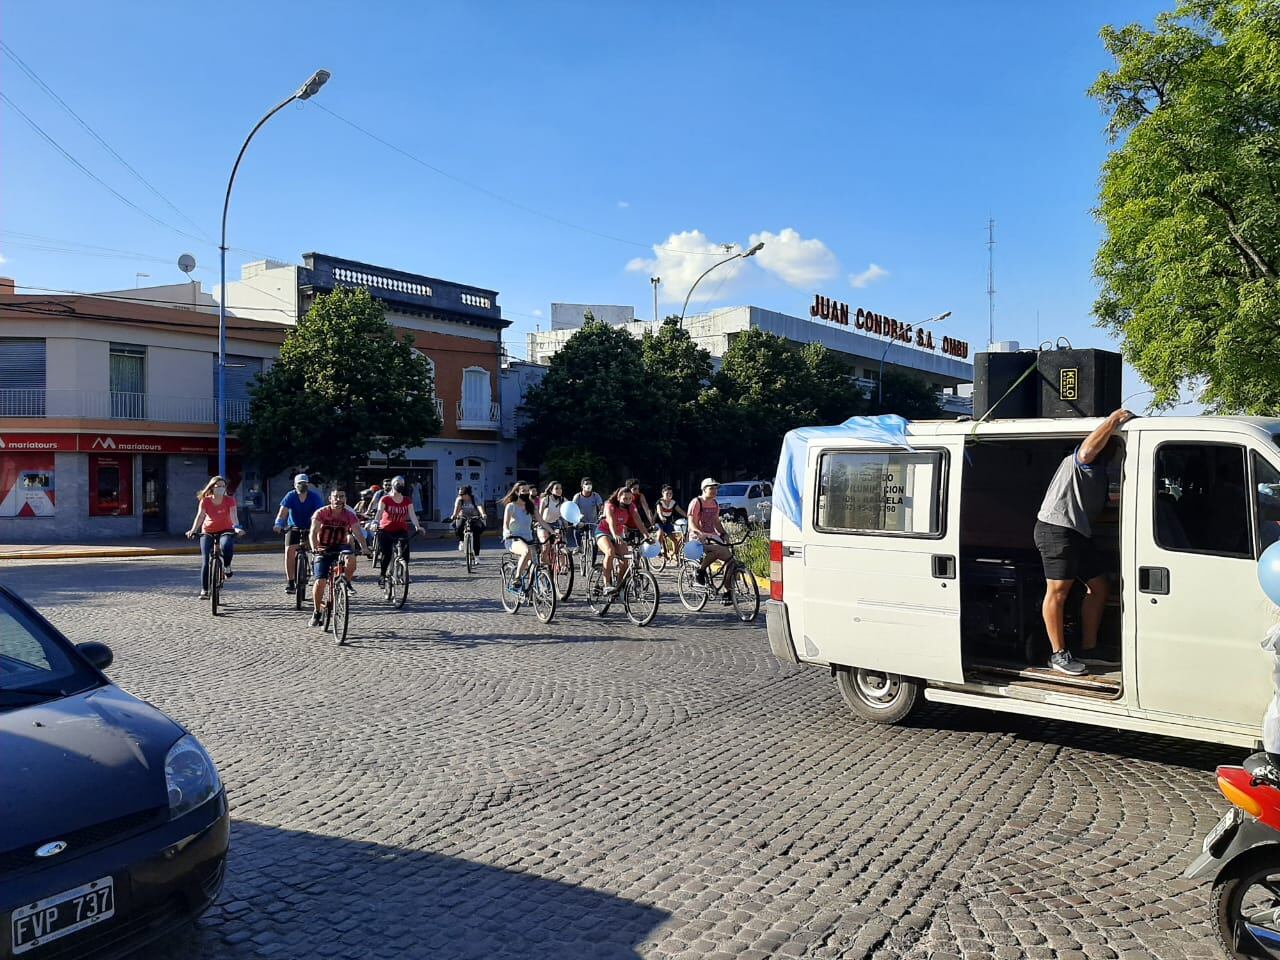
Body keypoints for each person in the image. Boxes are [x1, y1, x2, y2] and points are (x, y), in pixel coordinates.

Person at [1033, 408, 1135, 676]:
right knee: (1058, 592)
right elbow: (1089, 449)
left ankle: (1090, 649)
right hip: (1057, 530)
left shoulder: (1099, 473)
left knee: (1100, 585)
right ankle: (1058, 654)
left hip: (1078, 533)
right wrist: (1113, 420)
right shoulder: (1083, 459)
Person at [307, 488, 369, 628]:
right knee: (320, 581)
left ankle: (344, 583)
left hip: (341, 545)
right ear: (330, 499)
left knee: (351, 558)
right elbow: (313, 532)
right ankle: (317, 611)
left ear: (345, 499)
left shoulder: (349, 515)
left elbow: (357, 532)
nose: (338, 500)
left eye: (341, 497)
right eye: (336, 497)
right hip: (323, 547)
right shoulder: (321, 513)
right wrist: (315, 548)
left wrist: (364, 547)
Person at [186, 476, 244, 599]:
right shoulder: (205, 501)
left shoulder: (229, 500)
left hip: (226, 529)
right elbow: (200, 516)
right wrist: (193, 530)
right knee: (206, 559)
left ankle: (227, 566)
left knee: (227, 544)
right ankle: (205, 590)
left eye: (223, 486)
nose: (221, 489)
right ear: (212, 487)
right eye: (218, 486)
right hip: (208, 531)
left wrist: (237, 527)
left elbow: (234, 516)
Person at [273, 473, 324, 594]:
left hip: (310, 527)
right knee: (289, 552)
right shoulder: (290, 496)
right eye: (300, 483)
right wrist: (278, 524)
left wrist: (320, 526)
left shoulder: (314, 497)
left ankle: (314, 567)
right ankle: (290, 582)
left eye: (305, 483)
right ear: (295, 485)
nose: (302, 486)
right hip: (293, 527)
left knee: (316, 549)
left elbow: (319, 513)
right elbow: (282, 512)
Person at [596, 485, 647, 596]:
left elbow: (638, 521)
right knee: (610, 552)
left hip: (618, 534)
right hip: (604, 532)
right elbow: (611, 520)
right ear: (618, 497)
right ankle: (607, 584)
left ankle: (619, 586)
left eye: (630, 498)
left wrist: (647, 535)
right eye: (625, 498)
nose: (628, 501)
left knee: (625, 558)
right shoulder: (610, 505)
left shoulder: (631, 506)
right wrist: (614, 534)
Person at [372, 476, 421, 587]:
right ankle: (382, 575)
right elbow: (379, 512)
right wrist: (375, 522)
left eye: (402, 484)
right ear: (393, 484)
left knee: (405, 553)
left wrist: (417, 526)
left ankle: (403, 573)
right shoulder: (385, 499)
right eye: (398, 483)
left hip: (400, 530)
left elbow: (412, 515)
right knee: (387, 554)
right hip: (385, 530)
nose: (400, 485)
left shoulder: (407, 500)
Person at [688, 478, 731, 589]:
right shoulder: (697, 502)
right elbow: (691, 523)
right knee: (716, 550)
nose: (714, 491)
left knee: (730, 561)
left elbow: (716, 521)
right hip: (697, 537)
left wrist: (724, 533)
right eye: (711, 488)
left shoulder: (715, 504)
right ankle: (700, 571)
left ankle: (728, 591)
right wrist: (699, 533)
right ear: (704, 489)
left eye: (716, 488)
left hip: (712, 536)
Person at [502, 481, 544, 592]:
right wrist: (507, 533)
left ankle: (531, 592)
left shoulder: (530, 506)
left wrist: (553, 532)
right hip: (514, 539)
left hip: (529, 539)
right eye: (523, 491)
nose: (526, 493)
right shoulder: (511, 506)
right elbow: (505, 524)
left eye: (527, 490)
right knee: (526, 551)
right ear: (516, 492)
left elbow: (541, 521)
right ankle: (517, 578)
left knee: (534, 564)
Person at [450, 485, 488, 556]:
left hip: (474, 517)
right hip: (463, 516)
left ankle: (477, 556)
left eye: (461, 494)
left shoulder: (474, 498)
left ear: (467, 494)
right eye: (459, 494)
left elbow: (479, 506)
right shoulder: (459, 499)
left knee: (476, 535)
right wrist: (454, 515)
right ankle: (461, 541)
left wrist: (483, 514)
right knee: (459, 526)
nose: (460, 495)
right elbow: (457, 509)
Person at [572, 477, 604, 555]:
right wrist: (577, 519)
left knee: (595, 542)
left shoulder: (595, 495)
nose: (588, 485)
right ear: (582, 486)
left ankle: (593, 562)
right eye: (586, 484)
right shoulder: (577, 497)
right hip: (581, 521)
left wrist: (602, 513)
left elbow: (601, 506)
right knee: (577, 530)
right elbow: (573, 508)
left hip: (593, 521)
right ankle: (578, 546)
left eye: (590, 484)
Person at [654, 485, 687, 560]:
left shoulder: (673, 502)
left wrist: (688, 516)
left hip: (668, 523)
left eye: (670, 494)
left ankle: (675, 554)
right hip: (659, 522)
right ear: (663, 493)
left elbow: (680, 510)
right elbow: (659, 511)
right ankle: (657, 549)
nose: (669, 495)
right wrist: (662, 517)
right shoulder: (660, 502)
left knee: (675, 540)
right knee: (660, 533)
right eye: (667, 494)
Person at [537, 480, 567, 564]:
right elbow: (539, 516)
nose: (559, 490)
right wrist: (539, 523)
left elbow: (569, 511)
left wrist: (569, 522)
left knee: (560, 544)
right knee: (546, 546)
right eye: (556, 488)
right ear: (551, 490)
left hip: (556, 524)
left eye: (560, 488)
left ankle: (563, 566)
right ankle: (543, 563)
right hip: (544, 524)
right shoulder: (545, 500)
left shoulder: (563, 500)